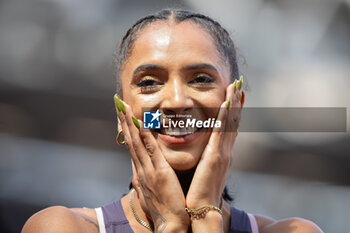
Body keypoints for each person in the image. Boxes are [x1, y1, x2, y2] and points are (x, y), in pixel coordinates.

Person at [22, 9, 323, 233]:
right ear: (121, 114)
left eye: (201, 79)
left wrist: (206, 220)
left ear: (236, 109)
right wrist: (171, 225)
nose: (177, 102)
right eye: (150, 82)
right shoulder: (62, 227)